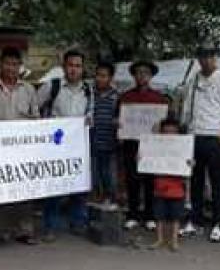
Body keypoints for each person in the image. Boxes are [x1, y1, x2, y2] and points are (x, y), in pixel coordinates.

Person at [0, 46, 41, 246]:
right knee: (0, 191)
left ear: (20, 66)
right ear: (0, 65)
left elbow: (36, 119)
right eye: (7, 63)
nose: (11, 68)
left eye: (15, 64)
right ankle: (0, 232)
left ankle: (25, 230)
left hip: (24, 150)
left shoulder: (29, 89)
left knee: (26, 189)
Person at [179, 46, 220, 243]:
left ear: (216, 58)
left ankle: (217, 224)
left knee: (217, 182)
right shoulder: (192, 80)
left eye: (210, 56)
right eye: (202, 57)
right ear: (198, 59)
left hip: (215, 137)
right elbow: (186, 110)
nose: (206, 60)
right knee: (195, 182)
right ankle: (195, 221)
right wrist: (184, 132)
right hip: (194, 136)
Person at [37, 50, 94, 242]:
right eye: (70, 65)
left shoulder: (88, 89)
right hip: (55, 146)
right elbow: (35, 108)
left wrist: (88, 121)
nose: (74, 69)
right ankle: (50, 226)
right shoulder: (52, 86)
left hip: (78, 146)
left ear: (83, 68)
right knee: (54, 186)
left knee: (79, 185)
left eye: (78, 66)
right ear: (64, 67)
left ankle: (77, 222)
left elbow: (90, 113)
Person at [119, 61, 169, 231]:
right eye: (138, 72)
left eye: (145, 72)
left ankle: (150, 216)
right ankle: (132, 215)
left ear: (151, 76)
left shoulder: (159, 99)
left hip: (151, 145)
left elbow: (166, 123)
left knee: (150, 182)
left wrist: (161, 128)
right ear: (134, 76)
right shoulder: (125, 98)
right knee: (132, 180)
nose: (142, 76)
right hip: (131, 145)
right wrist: (118, 125)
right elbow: (117, 120)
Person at [148, 118, 187, 252]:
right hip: (159, 187)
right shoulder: (156, 147)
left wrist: (190, 164)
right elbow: (147, 154)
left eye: (172, 132)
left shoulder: (183, 148)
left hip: (177, 189)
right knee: (159, 216)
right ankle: (159, 239)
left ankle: (174, 241)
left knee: (176, 217)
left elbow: (188, 165)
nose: (169, 135)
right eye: (166, 132)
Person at [91, 62, 120, 211]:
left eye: (103, 76)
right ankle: (96, 201)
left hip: (110, 143)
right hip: (92, 142)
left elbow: (122, 118)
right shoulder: (89, 95)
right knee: (94, 174)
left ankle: (111, 200)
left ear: (110, 78)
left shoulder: (117, 97)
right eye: (97, 75)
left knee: (109, 175)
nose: (99, 79)